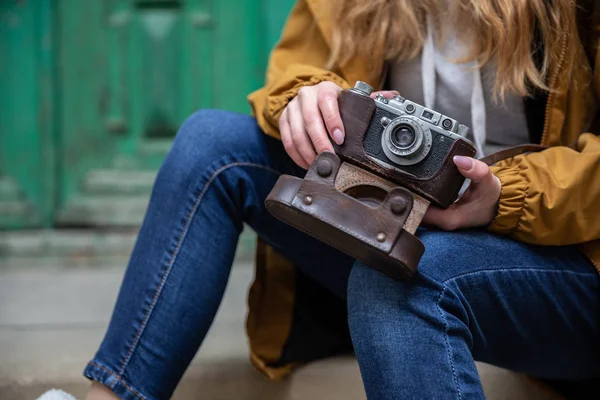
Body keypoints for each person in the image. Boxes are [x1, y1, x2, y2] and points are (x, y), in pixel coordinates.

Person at [83, 0, 600, 399]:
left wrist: (507, 195)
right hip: (389, 217)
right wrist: (314, 101)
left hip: (561, 255)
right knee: (209, 144)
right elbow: (298, 70)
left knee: (405, 271)